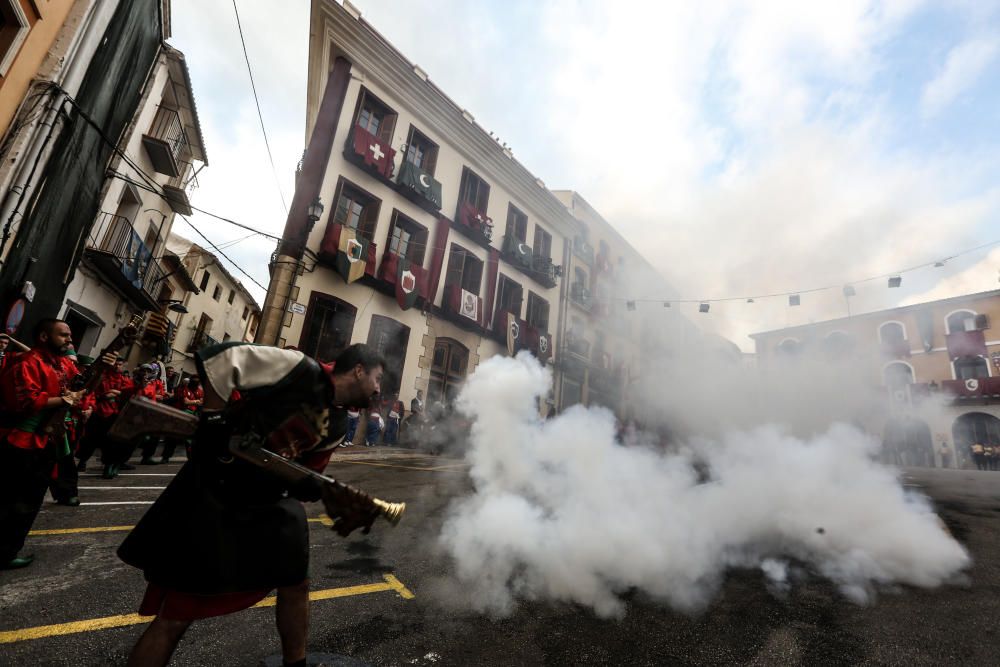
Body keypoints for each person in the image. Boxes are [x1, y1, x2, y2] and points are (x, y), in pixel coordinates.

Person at [118, 342, 384, 667]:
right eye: (377, 378)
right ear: (358, 370)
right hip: (216, 494)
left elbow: (301, 473)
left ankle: (295, 663)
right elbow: (223, 360)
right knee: (175, 615)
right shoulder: (298, 367)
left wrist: (324, 492)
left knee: (296, 583)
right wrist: (214, 420)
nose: (378, 388)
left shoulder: (339, 425)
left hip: (263, 503)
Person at [0, 320, 106, 569]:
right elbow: (26, 401)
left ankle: (8, 549)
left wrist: (102, 369)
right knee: (10, 499)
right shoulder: (28, 363)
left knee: (30, 501)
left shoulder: (62, 364)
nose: (70, 340)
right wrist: (64, 399)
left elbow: (81, 386)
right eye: (64, 335)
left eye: (70, 335)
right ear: (45, 337)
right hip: (22, 442)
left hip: (45, 442)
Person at [76, 357, 129, 473]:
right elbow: (93, 391)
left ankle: (108, 466)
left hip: (113, 414)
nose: (117, 366)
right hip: (98, 411)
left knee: (110, 442)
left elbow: (128, 394)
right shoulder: (103, 377)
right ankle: (82, 461)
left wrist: (116, 393)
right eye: (116, 364)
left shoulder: (124, 380)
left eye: (120, 364)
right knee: (90, 439)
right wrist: (103, 397)